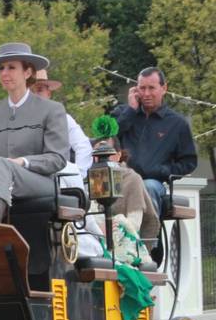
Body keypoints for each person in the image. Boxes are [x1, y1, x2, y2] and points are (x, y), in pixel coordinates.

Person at [0, 43, 69, 222]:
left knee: (2, 164)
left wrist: (22, 162)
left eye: (11, 67)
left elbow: (57, 158)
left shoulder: (52, 109)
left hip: (39, 181)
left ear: (27, 73)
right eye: (1, 68)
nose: (4, 73)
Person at [111, 67, 197, 218]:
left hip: (153, 182)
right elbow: (108, 138)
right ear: (135, 89)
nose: (146, 94)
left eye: (151, 88)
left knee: (148, 187)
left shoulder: (177, 123)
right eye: (142, 88)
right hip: (121, 179)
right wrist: (131, 110)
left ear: (164, 88)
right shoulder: (123, 113)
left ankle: (149, 240)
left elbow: (189, 162)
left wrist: (161, 170)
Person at [31, 70, 93, 176]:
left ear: (48, 94)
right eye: (31, 91)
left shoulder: (63, 119)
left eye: (39, 90)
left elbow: (83, 145)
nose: (35, 95)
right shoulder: (17, 119)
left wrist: (79, 175)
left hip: (58, 180)